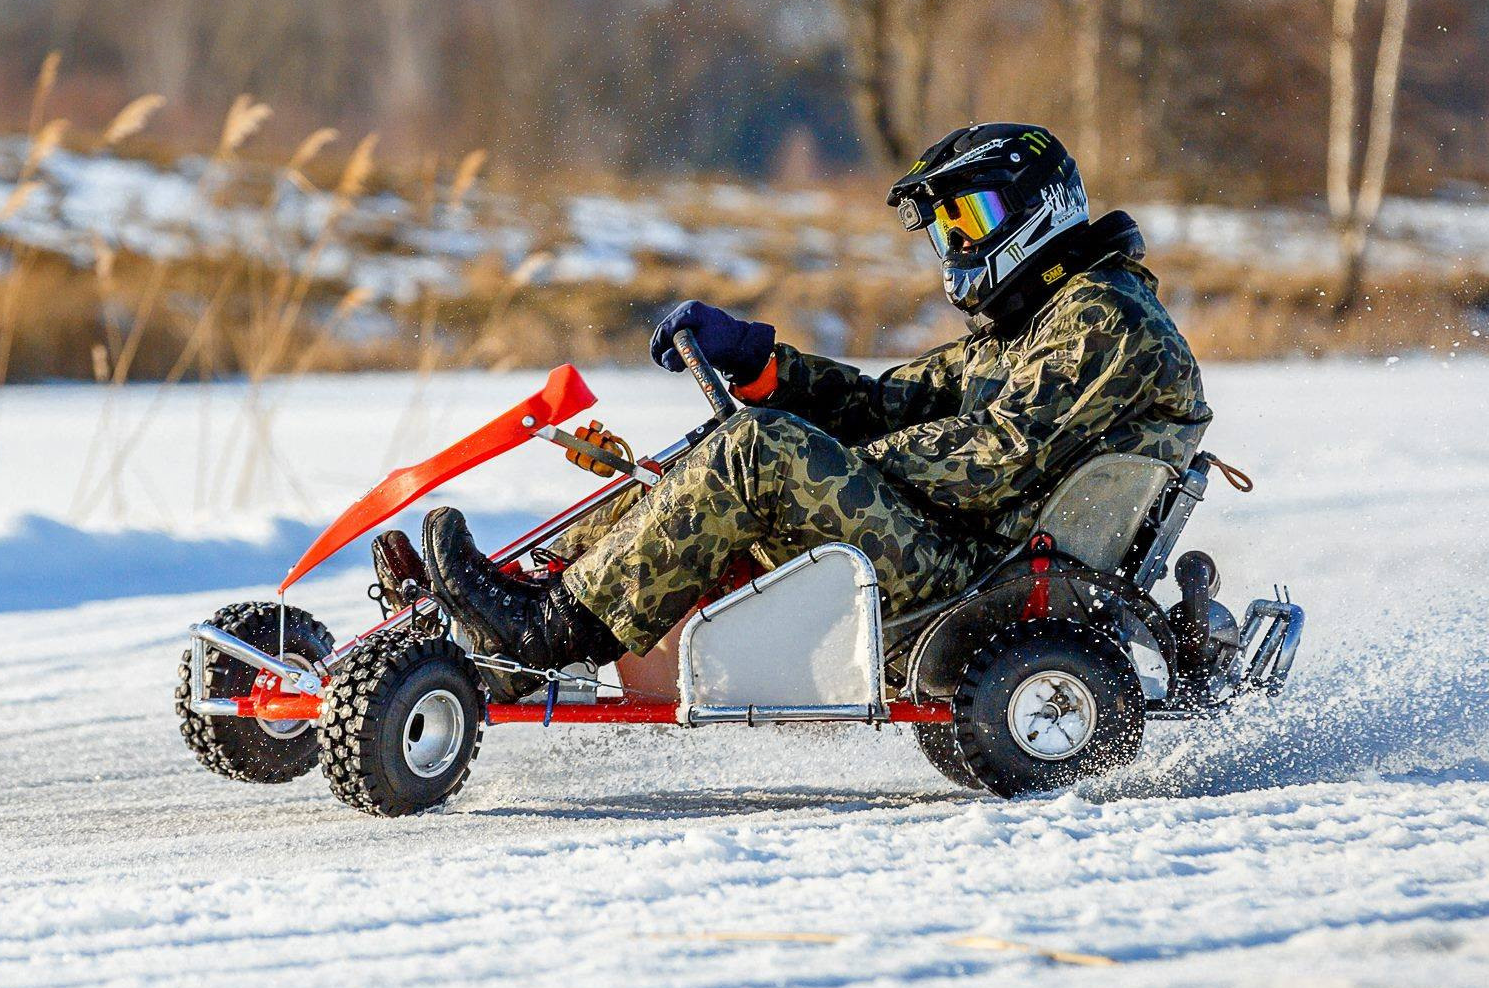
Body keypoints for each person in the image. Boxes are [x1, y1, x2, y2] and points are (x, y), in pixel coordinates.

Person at [419, 122, 1212, 692]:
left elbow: (998, 457)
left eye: (974, 219)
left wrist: (826, 458)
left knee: (756, 452)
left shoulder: (1106, 318)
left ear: (1045, 207)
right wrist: (764, 366)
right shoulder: (1029, 324)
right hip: (957, 551)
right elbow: (887, 403)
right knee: (719, 447)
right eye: (946, 228)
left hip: (978, 578)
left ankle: (547, 628)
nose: (959, 245)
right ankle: (521, 612)